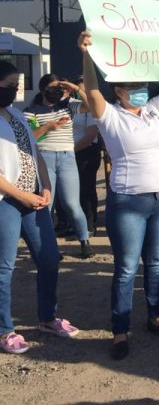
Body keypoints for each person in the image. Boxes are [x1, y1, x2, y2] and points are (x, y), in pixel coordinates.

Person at [78, 30, 159, 360]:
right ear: (118, 90)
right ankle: (120, 329)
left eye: (142, 84)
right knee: (127, 268)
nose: (141, 90)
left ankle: (155, 315)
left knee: (156, 262)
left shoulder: (153, 111)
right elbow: (91, 90)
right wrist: (87, 55)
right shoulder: (109, 117)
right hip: (128, 201)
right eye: (132, 86)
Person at [0, 60, 80, 354]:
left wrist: (45, 186)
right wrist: (22, 195)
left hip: (34, 199)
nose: (13, 90)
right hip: (6, 202)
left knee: (48, 260)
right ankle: (5, 329)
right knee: (4, 267)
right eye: (7, 85)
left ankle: (48, 317)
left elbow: (35, 154)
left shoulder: (18, 116)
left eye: (15, 85)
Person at [24, 74, 94, 258]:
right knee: (47, 205)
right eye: (53, 88)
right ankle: (50, 246)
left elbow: (91, 107)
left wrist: (77, 88)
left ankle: (84, 240)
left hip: (67, 157)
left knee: (72, 203)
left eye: (59, 88)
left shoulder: (68, 104)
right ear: (43, 89)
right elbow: (30, 137)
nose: (57, 91)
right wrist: (48, 127)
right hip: (44, 157)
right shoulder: (31, 110)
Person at [71, 76, 102, 235]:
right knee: (72, 191)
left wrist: (72, 150)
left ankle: (90, 223)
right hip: (71, 153)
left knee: (86, 188)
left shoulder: (92, 109)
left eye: (84, 90)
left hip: (87, 152)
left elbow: (90, 135)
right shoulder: (72, 106)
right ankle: (72, 225)